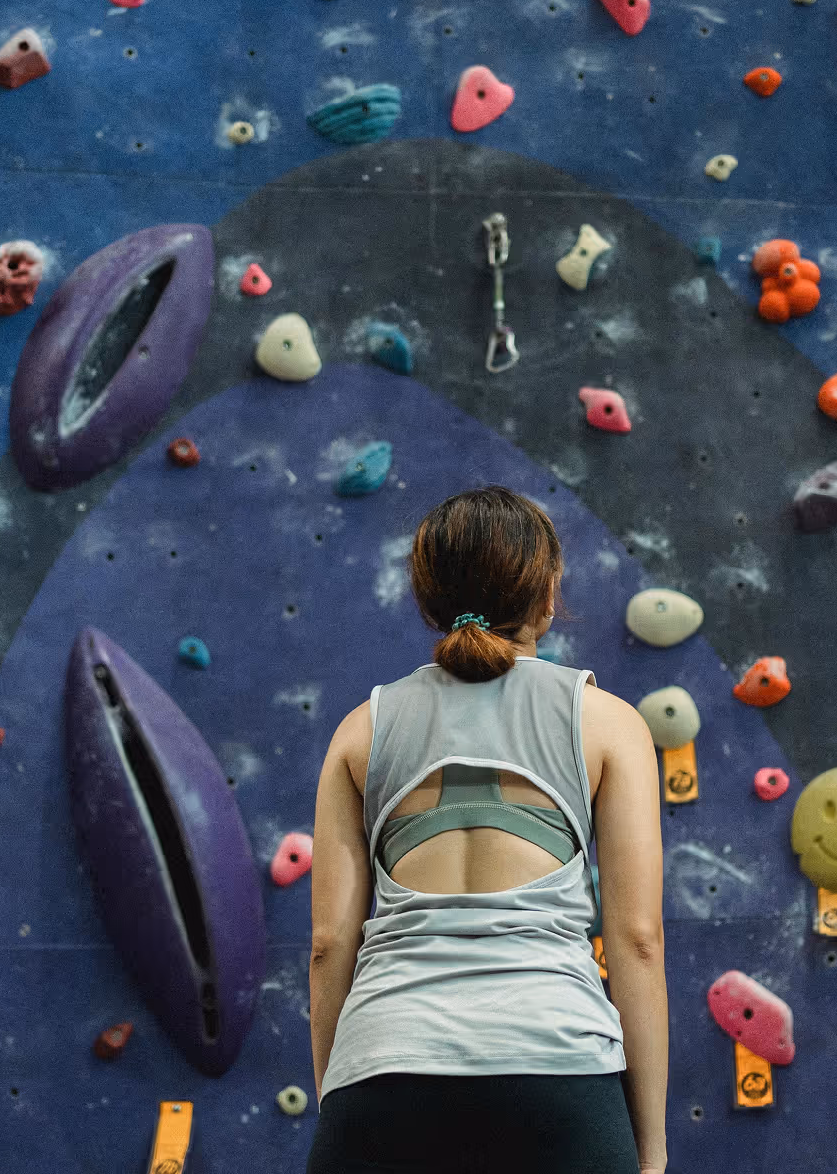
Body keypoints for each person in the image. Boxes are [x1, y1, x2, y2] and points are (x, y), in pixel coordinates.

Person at [307, 486, 668, 1174]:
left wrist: (344, 1090)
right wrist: (649, 1146)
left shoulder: (361, 730)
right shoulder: (610, 722)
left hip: (383, 1068)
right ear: (550, 589)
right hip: (557, 1071)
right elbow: (637, 942)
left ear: (427, 599)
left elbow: (329, 945)